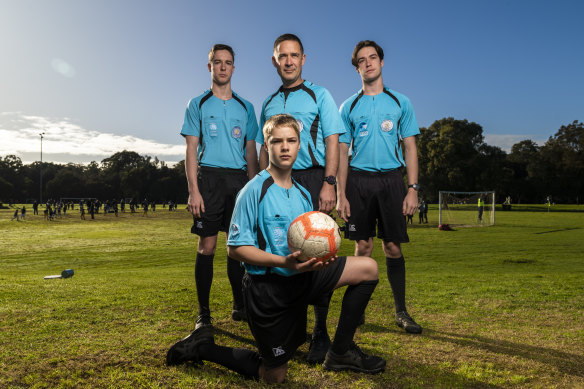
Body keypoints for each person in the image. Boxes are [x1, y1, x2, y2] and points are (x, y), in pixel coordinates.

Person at [167, 114, 385, 383]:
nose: (285, 147)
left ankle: (340, 352)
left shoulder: (304, 193)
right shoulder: (252, 190)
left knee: (368, 268)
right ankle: (203, 347)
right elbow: (235, 249)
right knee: (274, 375)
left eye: (291, 141)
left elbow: (308, 242)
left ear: (299, 145)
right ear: (267, 147)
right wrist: (284, 262)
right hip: (269, 290)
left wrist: (322, 256)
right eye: (277, 141)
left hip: (303, 277)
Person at [255, 33, 345, 364]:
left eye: (295, 55)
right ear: (275, 61)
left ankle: (320, 333)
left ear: (303, 59)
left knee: (318, 254)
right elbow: (263, 149)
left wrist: (329, 183)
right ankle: (293, 330)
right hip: (279, 182)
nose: (289, 61)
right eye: (283, 56)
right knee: (285, 252)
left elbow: (333, 140)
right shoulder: (267, 103)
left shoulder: (319, 94)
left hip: (312, 178)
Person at [337, 40, 422, 334]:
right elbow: (342, 153)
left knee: (392, 246)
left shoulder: (401, 102)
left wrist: (412, 188)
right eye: (362, 60)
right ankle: (356, 311)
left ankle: (401, 312)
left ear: (381, 62)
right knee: (363, 245)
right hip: (358, 181)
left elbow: (410, 147)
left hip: (391, 180)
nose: (368, 63)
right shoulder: (348, 106)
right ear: (357, 67)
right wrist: (340, 194)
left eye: (372, 57)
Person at [181, 43, 259, 330]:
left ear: (233, 68)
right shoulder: (197, 104)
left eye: (228, 62)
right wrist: (193, 190)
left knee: (236, 247)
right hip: (208, 178)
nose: (223, 67)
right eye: (218, 62)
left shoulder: (246, 107)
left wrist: (253, 189)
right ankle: (204, 313)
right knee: (207, 245)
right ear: (209, 66)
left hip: (238, 180)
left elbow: (251, 152)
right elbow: (191, 150)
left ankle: (240, 305)